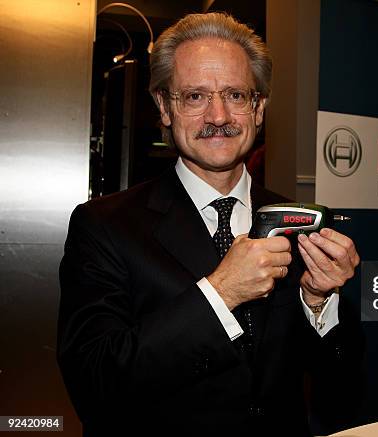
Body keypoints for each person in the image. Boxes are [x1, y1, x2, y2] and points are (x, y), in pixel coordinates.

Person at [57, 13, 362, 437]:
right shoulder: (104, 226)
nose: (218, 116)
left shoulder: (300, 224)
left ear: (259, 108)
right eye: (195, 96)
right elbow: (95, 383)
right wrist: (221, 293)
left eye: (236, 94)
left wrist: (317, 301)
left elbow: (341, 384)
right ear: (164, 107)